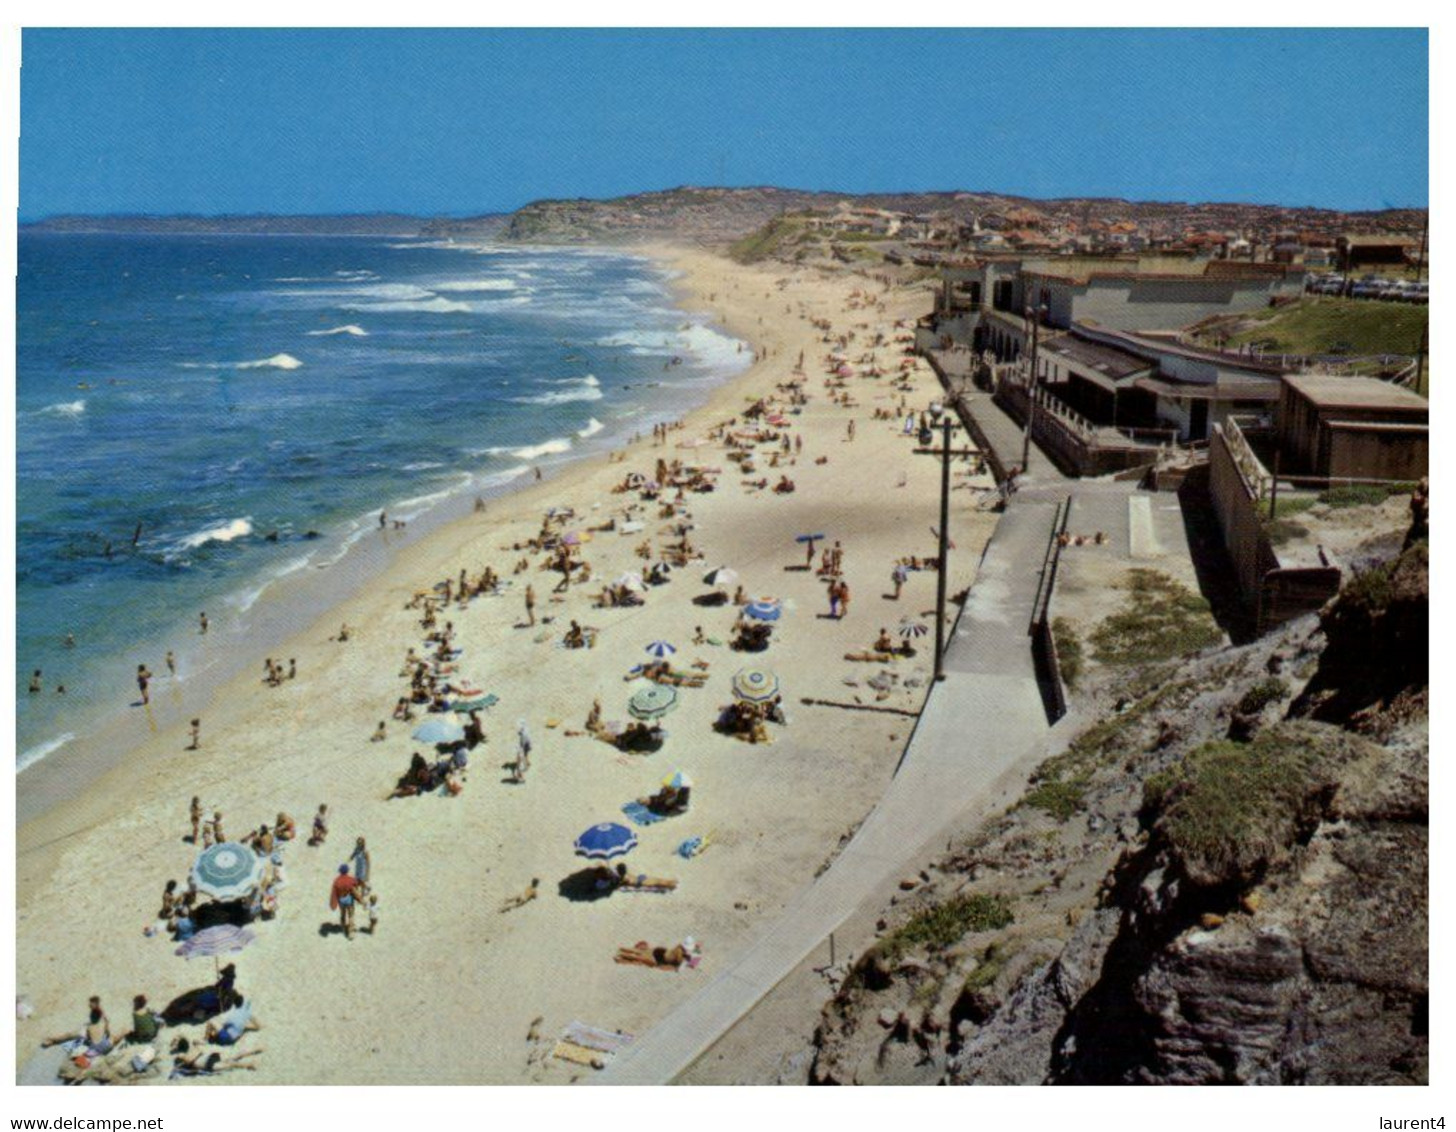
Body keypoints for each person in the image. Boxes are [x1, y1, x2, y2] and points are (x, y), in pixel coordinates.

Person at [42, 997, 112, 1054]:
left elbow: (104, 1022)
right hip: (90, 1034)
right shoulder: (98, 1014)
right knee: (69, 1036)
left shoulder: (99, 1016)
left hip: (90, 1036)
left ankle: (51, 1040)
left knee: (69, 1035)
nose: (89, 1005)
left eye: (91, 1004)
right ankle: (52, 1042)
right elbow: (105, 1021)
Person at [330, 864, 360, 939]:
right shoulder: (351, 879)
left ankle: (343, 929)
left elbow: (334, 893)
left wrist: (333, 904)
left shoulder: (336, 881)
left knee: (343, 914)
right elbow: (356, 885)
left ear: (340, 871)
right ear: (347, 871)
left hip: (341, 900)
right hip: (349, 900)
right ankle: (350, 933)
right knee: (351, 915)